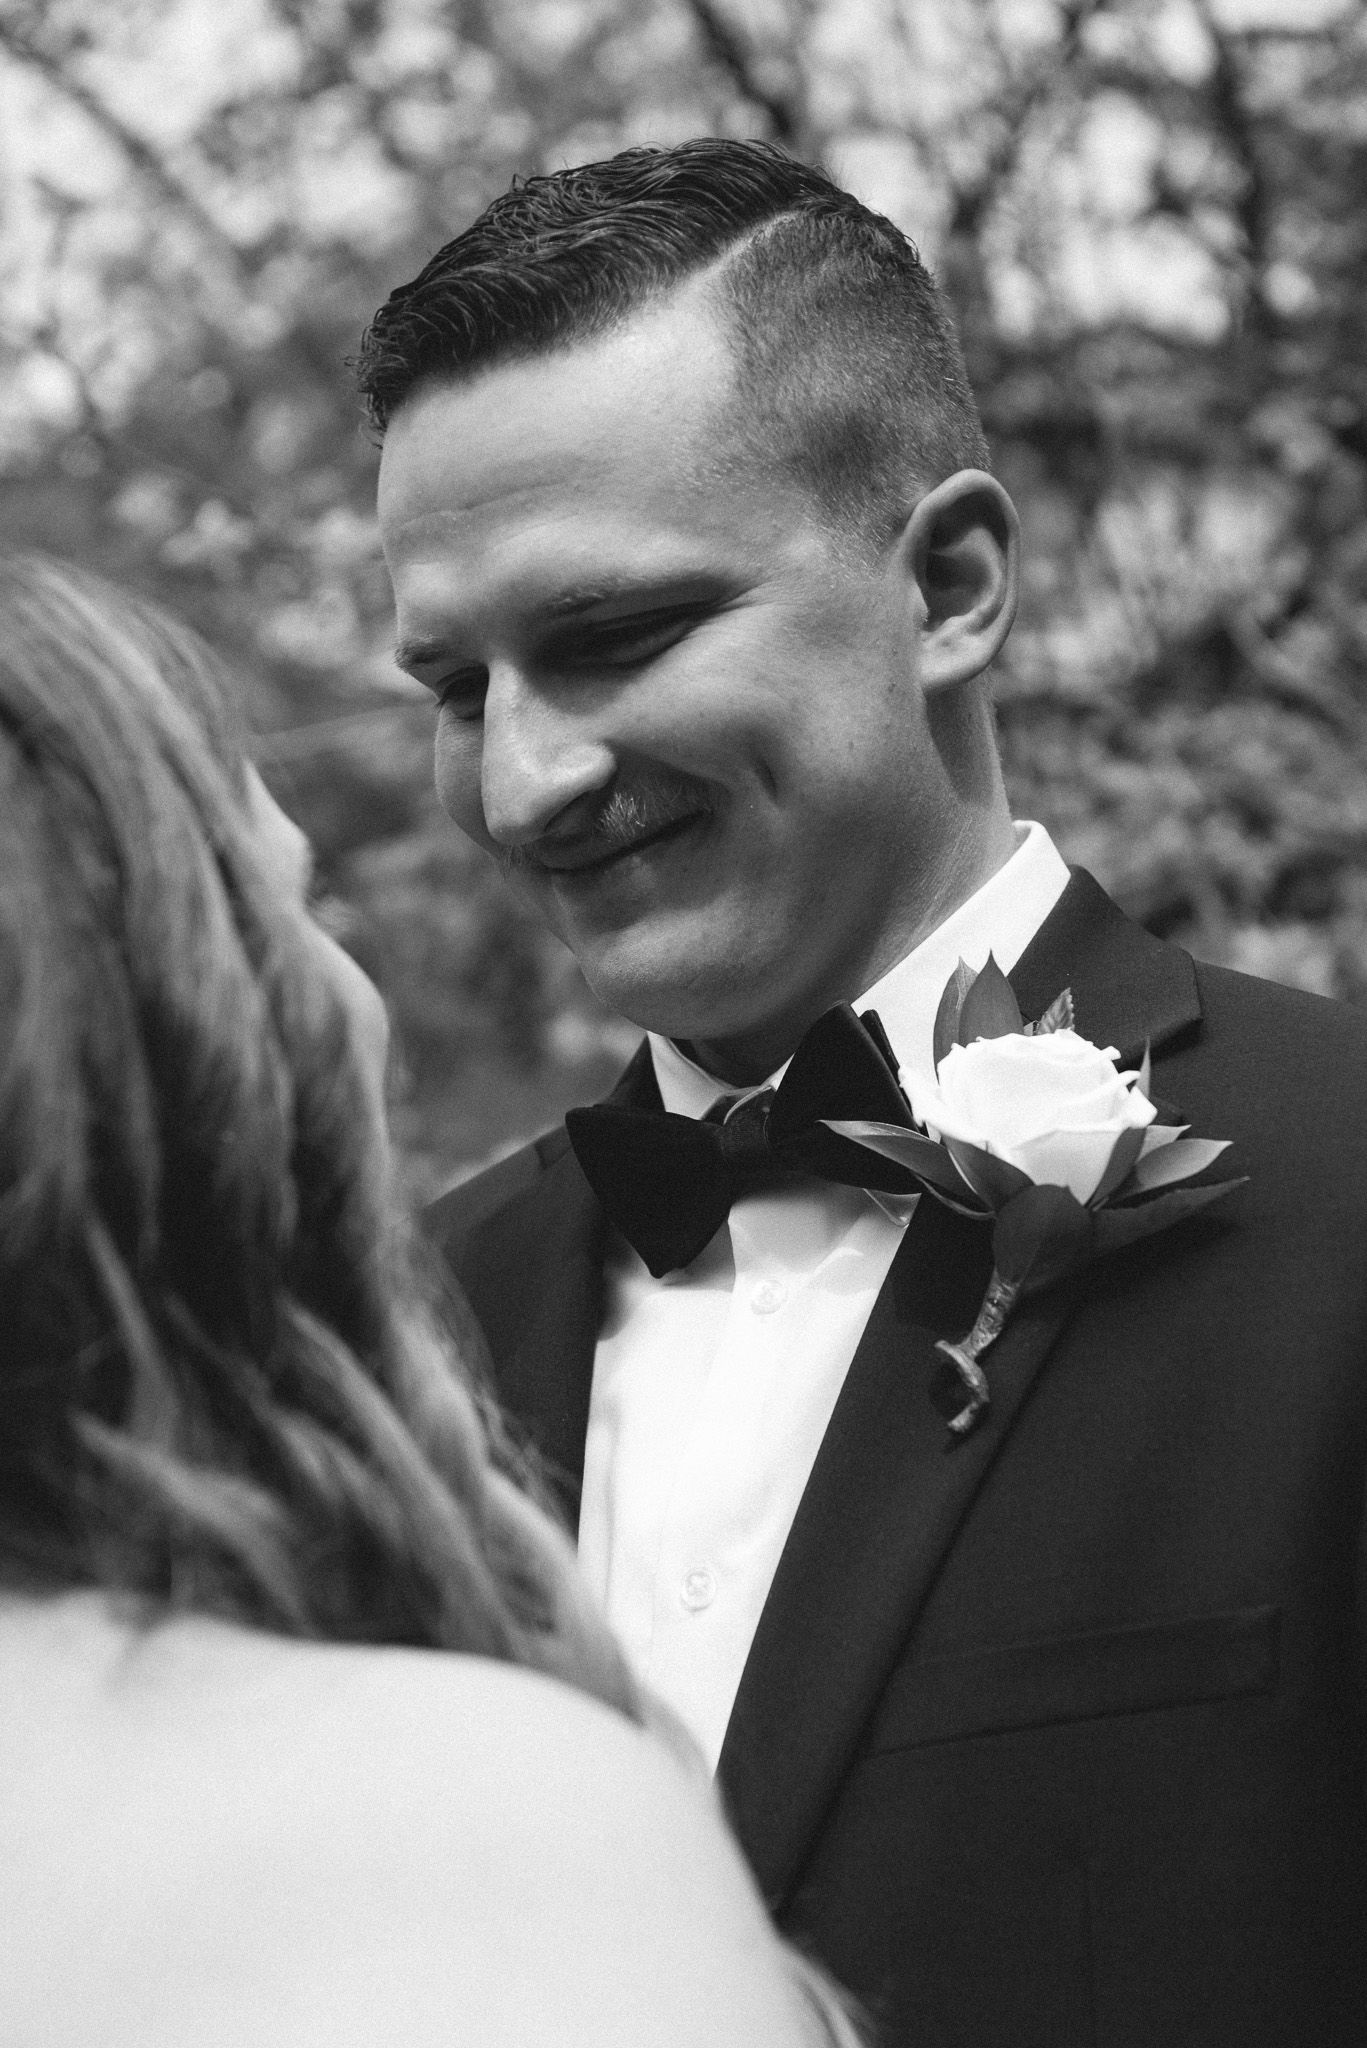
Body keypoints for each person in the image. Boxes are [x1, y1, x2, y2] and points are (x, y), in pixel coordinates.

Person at [360, 137, 1367, 2047]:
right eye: (453, 688)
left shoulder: (1349, 1203)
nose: (521, 786)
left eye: (613, 636)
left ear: (955, 586)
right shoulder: (384, 1343)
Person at [0, 553, 861, 2048]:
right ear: (176, 1042)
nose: (524, 788)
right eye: (294, 904)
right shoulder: (451, 1821)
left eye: (618, 631)